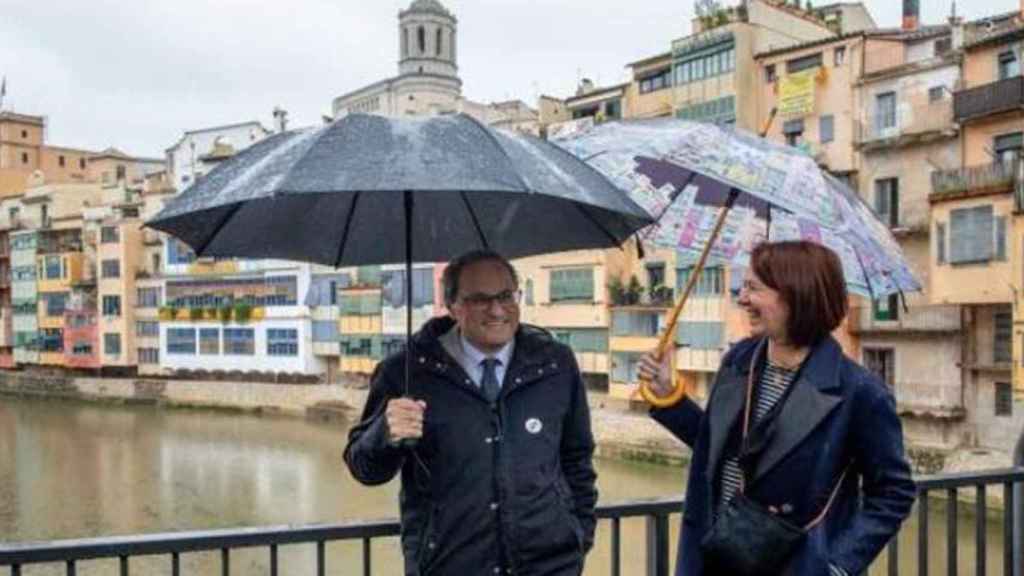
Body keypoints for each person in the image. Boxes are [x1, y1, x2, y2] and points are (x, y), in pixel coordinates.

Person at [639, 241, 915, 576]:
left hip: (792, 565)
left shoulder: (859, 392)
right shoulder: (739, 361)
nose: (742, 299)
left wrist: (838, 565)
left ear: (797, 294)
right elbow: (718, 448)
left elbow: (893, 493)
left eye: (754, 288)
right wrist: (670, 397)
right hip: (713, 556)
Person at [344, 249, 597, 576]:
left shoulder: (555, 363)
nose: (497, 310)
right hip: (450, 565)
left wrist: (577, 538)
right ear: (453, 306)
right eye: (480, 299)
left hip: (549, 566)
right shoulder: (406, 373)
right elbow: (364, 469)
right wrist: (384, 434)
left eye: (506, 296)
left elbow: (577, 458)